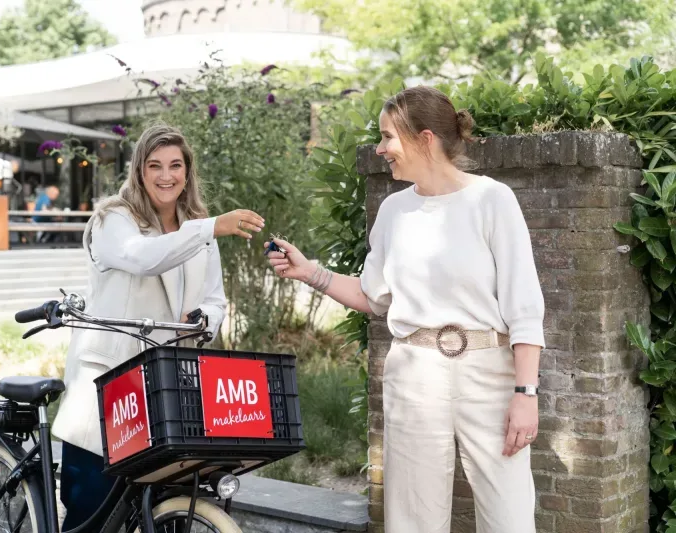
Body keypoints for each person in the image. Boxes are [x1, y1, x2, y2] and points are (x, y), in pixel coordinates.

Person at [266, 86, 544, 532]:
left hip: (490, 376)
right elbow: (373, 296)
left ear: (424, 138)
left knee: (509, 517)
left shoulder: (492, 200)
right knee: (412, 520)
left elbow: (525, 308)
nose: (380, 149)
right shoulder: (394, 210)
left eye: (387, 137)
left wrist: (525, 395)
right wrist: (310, 272)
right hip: (414, 376)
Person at [51, 123, 265, 529]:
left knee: (171, 503)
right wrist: (208, 227)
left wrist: (206, 319)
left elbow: (215, 298)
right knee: (91, 509)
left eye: (175, 166)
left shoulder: (198, 227)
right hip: (111, 385)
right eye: (155, 166)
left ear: (188, 172)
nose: (166, 176)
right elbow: (142, 257)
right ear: (139, 171)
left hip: (169, 383)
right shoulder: (114, 219)